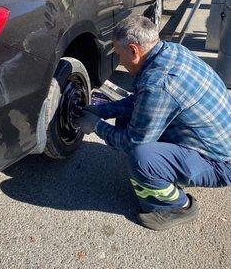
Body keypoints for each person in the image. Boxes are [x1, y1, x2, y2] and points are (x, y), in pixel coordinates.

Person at [76, 15, 231, 231]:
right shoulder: (171, 51)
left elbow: (133, 143)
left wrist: (96, 126)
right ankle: (170, 169)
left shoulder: (160, 83)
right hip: (215, 139)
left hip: (220, 164)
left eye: (119, 55)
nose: (119, 62)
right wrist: (102, 110)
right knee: (129, 120)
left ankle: (176, 206)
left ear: (133, 50)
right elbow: (142, 101)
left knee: (142, 158)